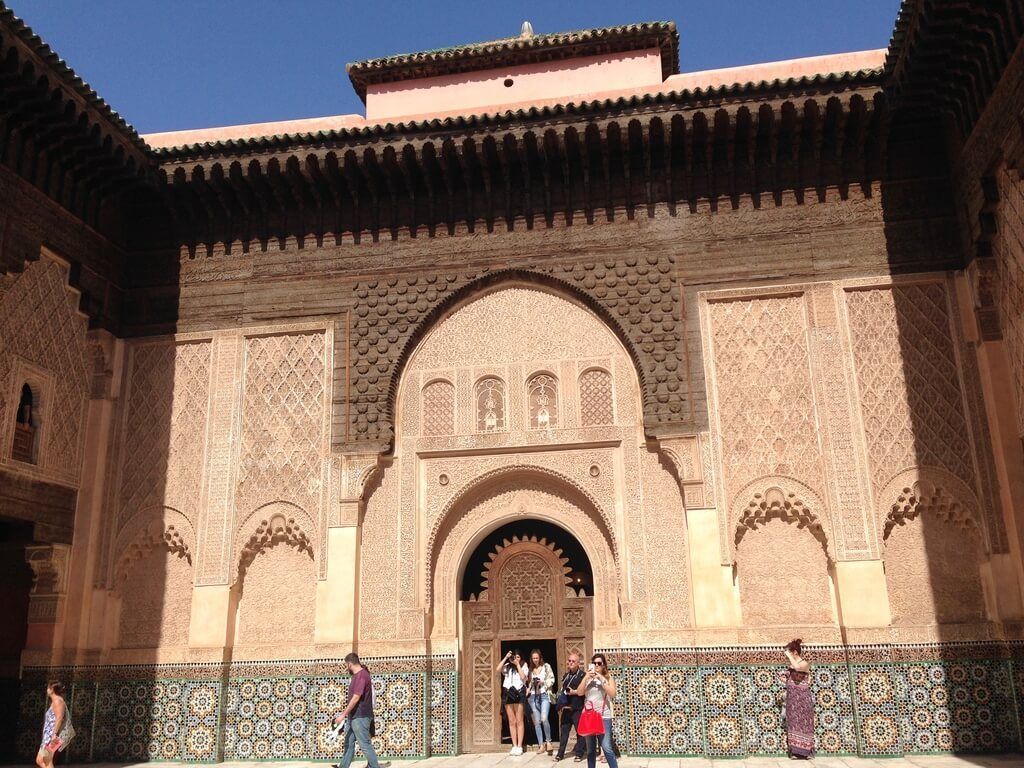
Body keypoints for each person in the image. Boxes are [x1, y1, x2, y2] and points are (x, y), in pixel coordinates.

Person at [332, 653, 391, 768]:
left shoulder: (362, 676)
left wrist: (343, 715)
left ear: (349, 664)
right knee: (349, 744)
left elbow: (356, 697)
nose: (346, 667)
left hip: (360, 717)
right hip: (353, 717)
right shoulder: (356, 676)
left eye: (346, 665)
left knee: (365, 744)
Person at [575, 654, 618, 768]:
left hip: (604, 717)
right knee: (590, 750)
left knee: (606, 747)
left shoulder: (607, 678)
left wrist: (601, 679)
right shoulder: (587, 678)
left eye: (599, 663)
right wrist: (586, 677)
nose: (597, 665)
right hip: (589, 717)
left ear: (604, 665)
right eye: (594, 663)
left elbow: (612, 693)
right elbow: (579, 692)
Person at [778, 639, 814, 760]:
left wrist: (788, 655)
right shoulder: (791, 666)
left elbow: (798, 667)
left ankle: (807, 752)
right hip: (792, 700)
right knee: (793, 723)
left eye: (790, 652)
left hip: (803, 700)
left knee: (805, 724)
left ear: (794, 652)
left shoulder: (804, 663)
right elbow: (788, 678)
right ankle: (794, 752)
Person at [554, 652, 586, 762]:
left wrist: (574, 692)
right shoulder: (566, 676)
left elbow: (585, 691)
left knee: (580, 732)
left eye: (573, 661)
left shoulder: (583, 675)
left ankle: (579, 754)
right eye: (569, 661)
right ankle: (560, 754)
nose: (570, 663)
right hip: (566, 708)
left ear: (578, 663)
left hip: (577, 708)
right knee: (564, 733)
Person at [497, 649, 528, 755]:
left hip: (519, 693)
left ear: (521, 658)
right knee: (512, 721)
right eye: (514, 657)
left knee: (519, 720)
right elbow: (497, 669)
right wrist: (506, 657)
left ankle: (520, 746)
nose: (516, 659)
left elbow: (523, 677)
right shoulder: (507, 667)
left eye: (518, 657)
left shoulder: (524, 665)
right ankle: (514, 745)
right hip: (508, 693)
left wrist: (517, 664)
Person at [527, 649, 556, 754]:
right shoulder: (530, 670)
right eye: (533, 658)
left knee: (544, 719)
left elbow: (552, 679)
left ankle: (548, 742)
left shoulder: (546, 667)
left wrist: (543, 682)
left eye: (537, 658)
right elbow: (529, 684)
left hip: (544, 695)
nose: (535, 660)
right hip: (534, 697)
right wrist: (529, 689)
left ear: (540, 658)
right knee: (537, 722)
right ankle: (541, 745)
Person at [36, 681, 66, 768]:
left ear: (52, 690)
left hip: (52, 736)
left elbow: (59, 718)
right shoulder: (55, 701)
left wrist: (54, 735)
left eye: (48, 688)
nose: (47, 690)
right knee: (40, 760)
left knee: (46, 760)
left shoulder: (58, 701)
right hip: (48, 735)